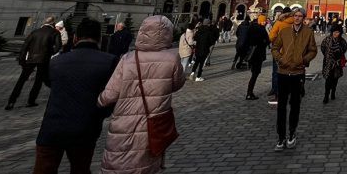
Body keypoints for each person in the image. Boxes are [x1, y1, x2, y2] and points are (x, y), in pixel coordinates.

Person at [98, 15, 185, 174]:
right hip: (154, 121)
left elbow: (110, 94)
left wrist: (98, 101)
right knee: (146, 161)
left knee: (119, 159)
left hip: (124, 120)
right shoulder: (172, 59)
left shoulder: (128, 58)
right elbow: (177, 84)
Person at [34, 18, 118, 174]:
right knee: (80, 169)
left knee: (44, 169)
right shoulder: (109, 61)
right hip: (85, 128)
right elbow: (112, 95)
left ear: (75, 38)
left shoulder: (57, 61)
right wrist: (100, 114)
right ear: (100, 39)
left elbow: (49, 83)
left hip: (52, 127)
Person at [270, 9, 316, 150]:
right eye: (295, 16)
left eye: (299, 16)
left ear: (303, 18)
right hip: (283, 72)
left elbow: (313, 50)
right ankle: (281, 137)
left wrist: (303, 60)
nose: (297, 18)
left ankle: (291, 134)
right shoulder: (284, 31)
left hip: (298, 74)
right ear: (292, 17)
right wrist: (280, 59)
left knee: (295, 106)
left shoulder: (308, 32)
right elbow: (275, 47)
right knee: (281, 107)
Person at [7, 16, 61, 110]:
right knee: (38, 81)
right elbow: (58, 46)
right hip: (44, 59)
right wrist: (50, 53)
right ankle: (31, 100)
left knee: (21, 80)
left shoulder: (35, 32)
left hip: (31, 58)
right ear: (52, 23)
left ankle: (11, 101)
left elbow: (25, 46)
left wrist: (22, 59)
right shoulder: (55, 32)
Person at [267, 12, 292, 105]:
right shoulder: (295, 23)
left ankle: (277, 93)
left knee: (277, 73)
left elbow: (271, 36)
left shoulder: (279, 23)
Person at [244, 15, 270, 100]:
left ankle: (249, 92)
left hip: (251, 54)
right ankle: (249, 93)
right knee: (255, 74)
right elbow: (266, 41)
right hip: (258, 54)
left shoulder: (251, 28)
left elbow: (246, 40)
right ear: (260, 21)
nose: (265, 22)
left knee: (254, 74)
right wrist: (264, 42)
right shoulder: (261, 29)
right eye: (264, 21)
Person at [319, 24, 347, 104]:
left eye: (337, 32)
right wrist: (327, 56)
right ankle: (326, 96)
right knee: (328, 79)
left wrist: (338, 54)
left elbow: (344, 50)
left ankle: (333, 92)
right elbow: (322, 48)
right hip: (328, 63)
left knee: (335, 79)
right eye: (334, 32)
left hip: (337, 64)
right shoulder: (327, 39)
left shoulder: (342, 41)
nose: (335, 33)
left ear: (340, 33)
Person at [191, 17, 218, 81]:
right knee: (201, 63)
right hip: (205, 49)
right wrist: (208, 44)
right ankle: (198, 76)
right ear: (208, 24)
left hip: (198, 48)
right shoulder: (209, 32)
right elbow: (212, 41)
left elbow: (195, 38)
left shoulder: (199, 30)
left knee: (196, 61)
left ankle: (192, 73)